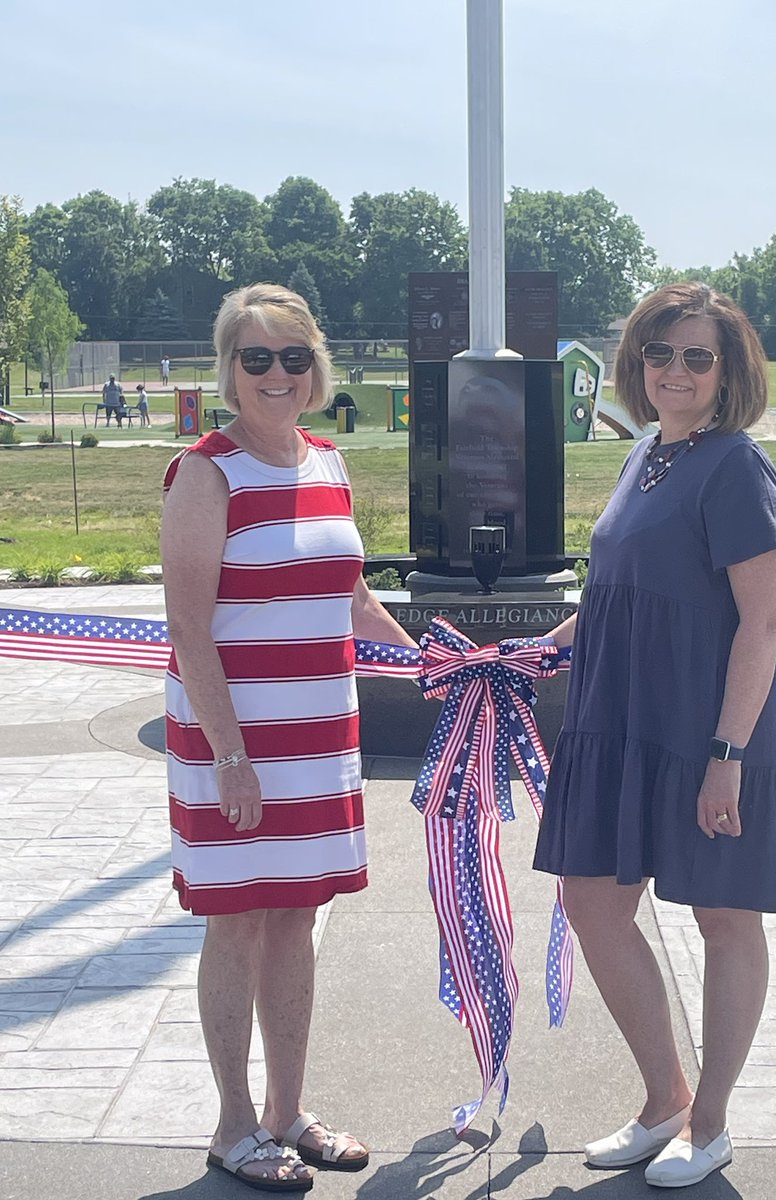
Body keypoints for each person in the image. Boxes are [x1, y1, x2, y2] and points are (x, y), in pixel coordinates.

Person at [535, 282, 776, 1189]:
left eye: (698, 355)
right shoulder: (647, 452)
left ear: (728, 369)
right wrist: (550, 645)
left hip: (710, 730)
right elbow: (622, 588)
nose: (676, 370)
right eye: (661, 353)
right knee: (593, 903)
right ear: (637, 363)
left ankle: (713, 1123)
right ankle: (665, 1101)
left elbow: (762, 624)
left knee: (722, 918)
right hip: (624, 721)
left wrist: (726, 759)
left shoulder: (736, 466)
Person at [161, 283, 418, 1191]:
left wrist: (430, 657)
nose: (276, 374)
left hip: (319, 738)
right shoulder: (207, 471)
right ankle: (233, 1126)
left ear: (318, 367)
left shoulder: (329, 463)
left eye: (293, 356)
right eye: (255, 357)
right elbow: (189, 627)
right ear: (228, 368)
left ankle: (287, 1112)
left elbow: (345, 595)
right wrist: (230, 755)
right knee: (237, 923)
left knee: (298, 918)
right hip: (235, 745)